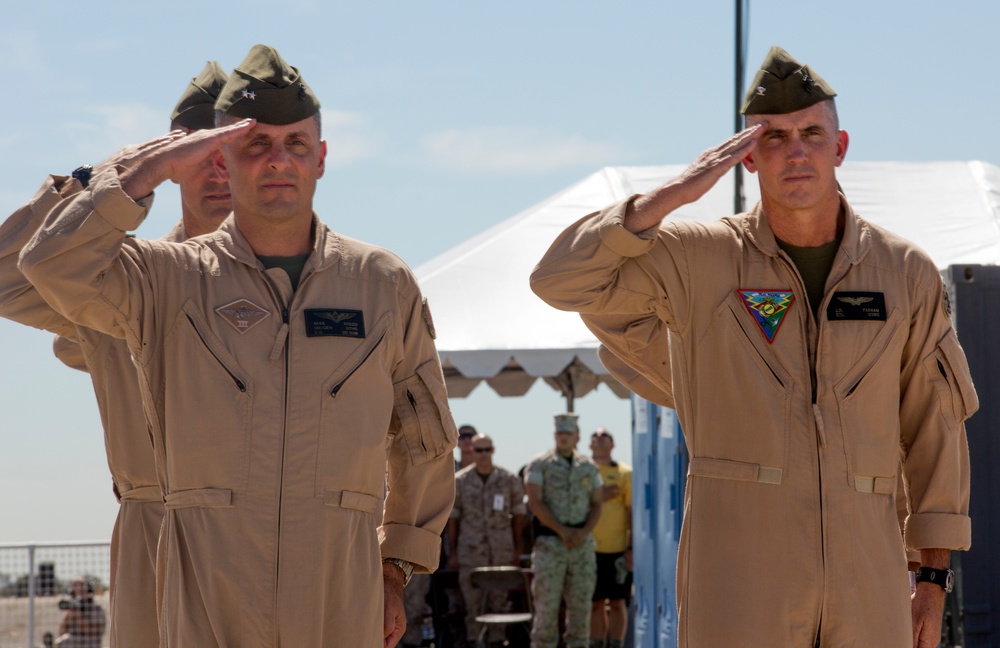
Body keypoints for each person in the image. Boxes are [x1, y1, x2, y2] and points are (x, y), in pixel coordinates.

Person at [530, 46, 977, 648]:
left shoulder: (903, 272)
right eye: (774, 138)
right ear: (746, 158)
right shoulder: (700, 259)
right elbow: (558, 280)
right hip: (739, 578)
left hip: (867, 576)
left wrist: (931, 576)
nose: (796, 152)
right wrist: (671, 198)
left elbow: (935, 429)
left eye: (812, 134)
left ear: (839, 148)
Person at [19, 44, 457, 647]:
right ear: (221, 154)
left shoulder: (380, 283)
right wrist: (138, 172)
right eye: (255, 144)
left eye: (296, 145)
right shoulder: (164, 279)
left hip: (338, 588)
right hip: (202, 585)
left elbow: (423, 436)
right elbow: (47, 265)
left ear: (322, 158)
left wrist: (394, 566)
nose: (278, 161)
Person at [0, 61, 230, 647]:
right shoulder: (113, 279)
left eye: (239, 151)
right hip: (155, 537)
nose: (220, 172)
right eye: (201, 155)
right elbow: (6, 279)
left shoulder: (321, 281)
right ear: (172, 165)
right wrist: (106, 178)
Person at [524, 414, 603, 648]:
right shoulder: (540, 464)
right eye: (560, 433)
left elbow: (598, 503)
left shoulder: (588, 467)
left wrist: (583, 532)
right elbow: (535, 502)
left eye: (568, 434)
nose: (564, 438)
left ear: (577, 436)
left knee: (581, 613)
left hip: (581, 546)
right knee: (546, 613)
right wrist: (562, 531)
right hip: (551, 545)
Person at [447, 433, 527, 645]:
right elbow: (453, 519)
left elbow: (518, 516)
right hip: (470, 552)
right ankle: (476, 642)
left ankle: (497, 642)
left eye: (487, 449)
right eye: (478, 450)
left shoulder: (508, 480)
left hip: (501, 552)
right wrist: (453, 552)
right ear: (471, 451)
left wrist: (517, 550)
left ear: (493, 450)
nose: (483, 454)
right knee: (473, 605)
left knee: (499, 603)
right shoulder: (460, 481)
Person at [587, 428, 631, 648]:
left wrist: (630, 548)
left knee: (616, 601)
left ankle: (616, 643)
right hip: (588, 548)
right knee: (594, 603)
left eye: (605, 435)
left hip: (616, 548)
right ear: (589, 445)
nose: (599, 438)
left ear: (613, 445)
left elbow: (631, 511)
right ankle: (596, 643)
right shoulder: (583, 472)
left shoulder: (624, 473)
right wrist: (599, 495)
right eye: (595, 435)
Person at [55, 579, 106, 648]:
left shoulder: (96, 608)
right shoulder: (72, 609)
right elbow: (60, 633)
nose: (79, 588)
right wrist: (69, 614)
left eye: (81, 585)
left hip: (90, 643)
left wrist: (78, 616)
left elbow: (91, 633)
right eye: (75, 585)